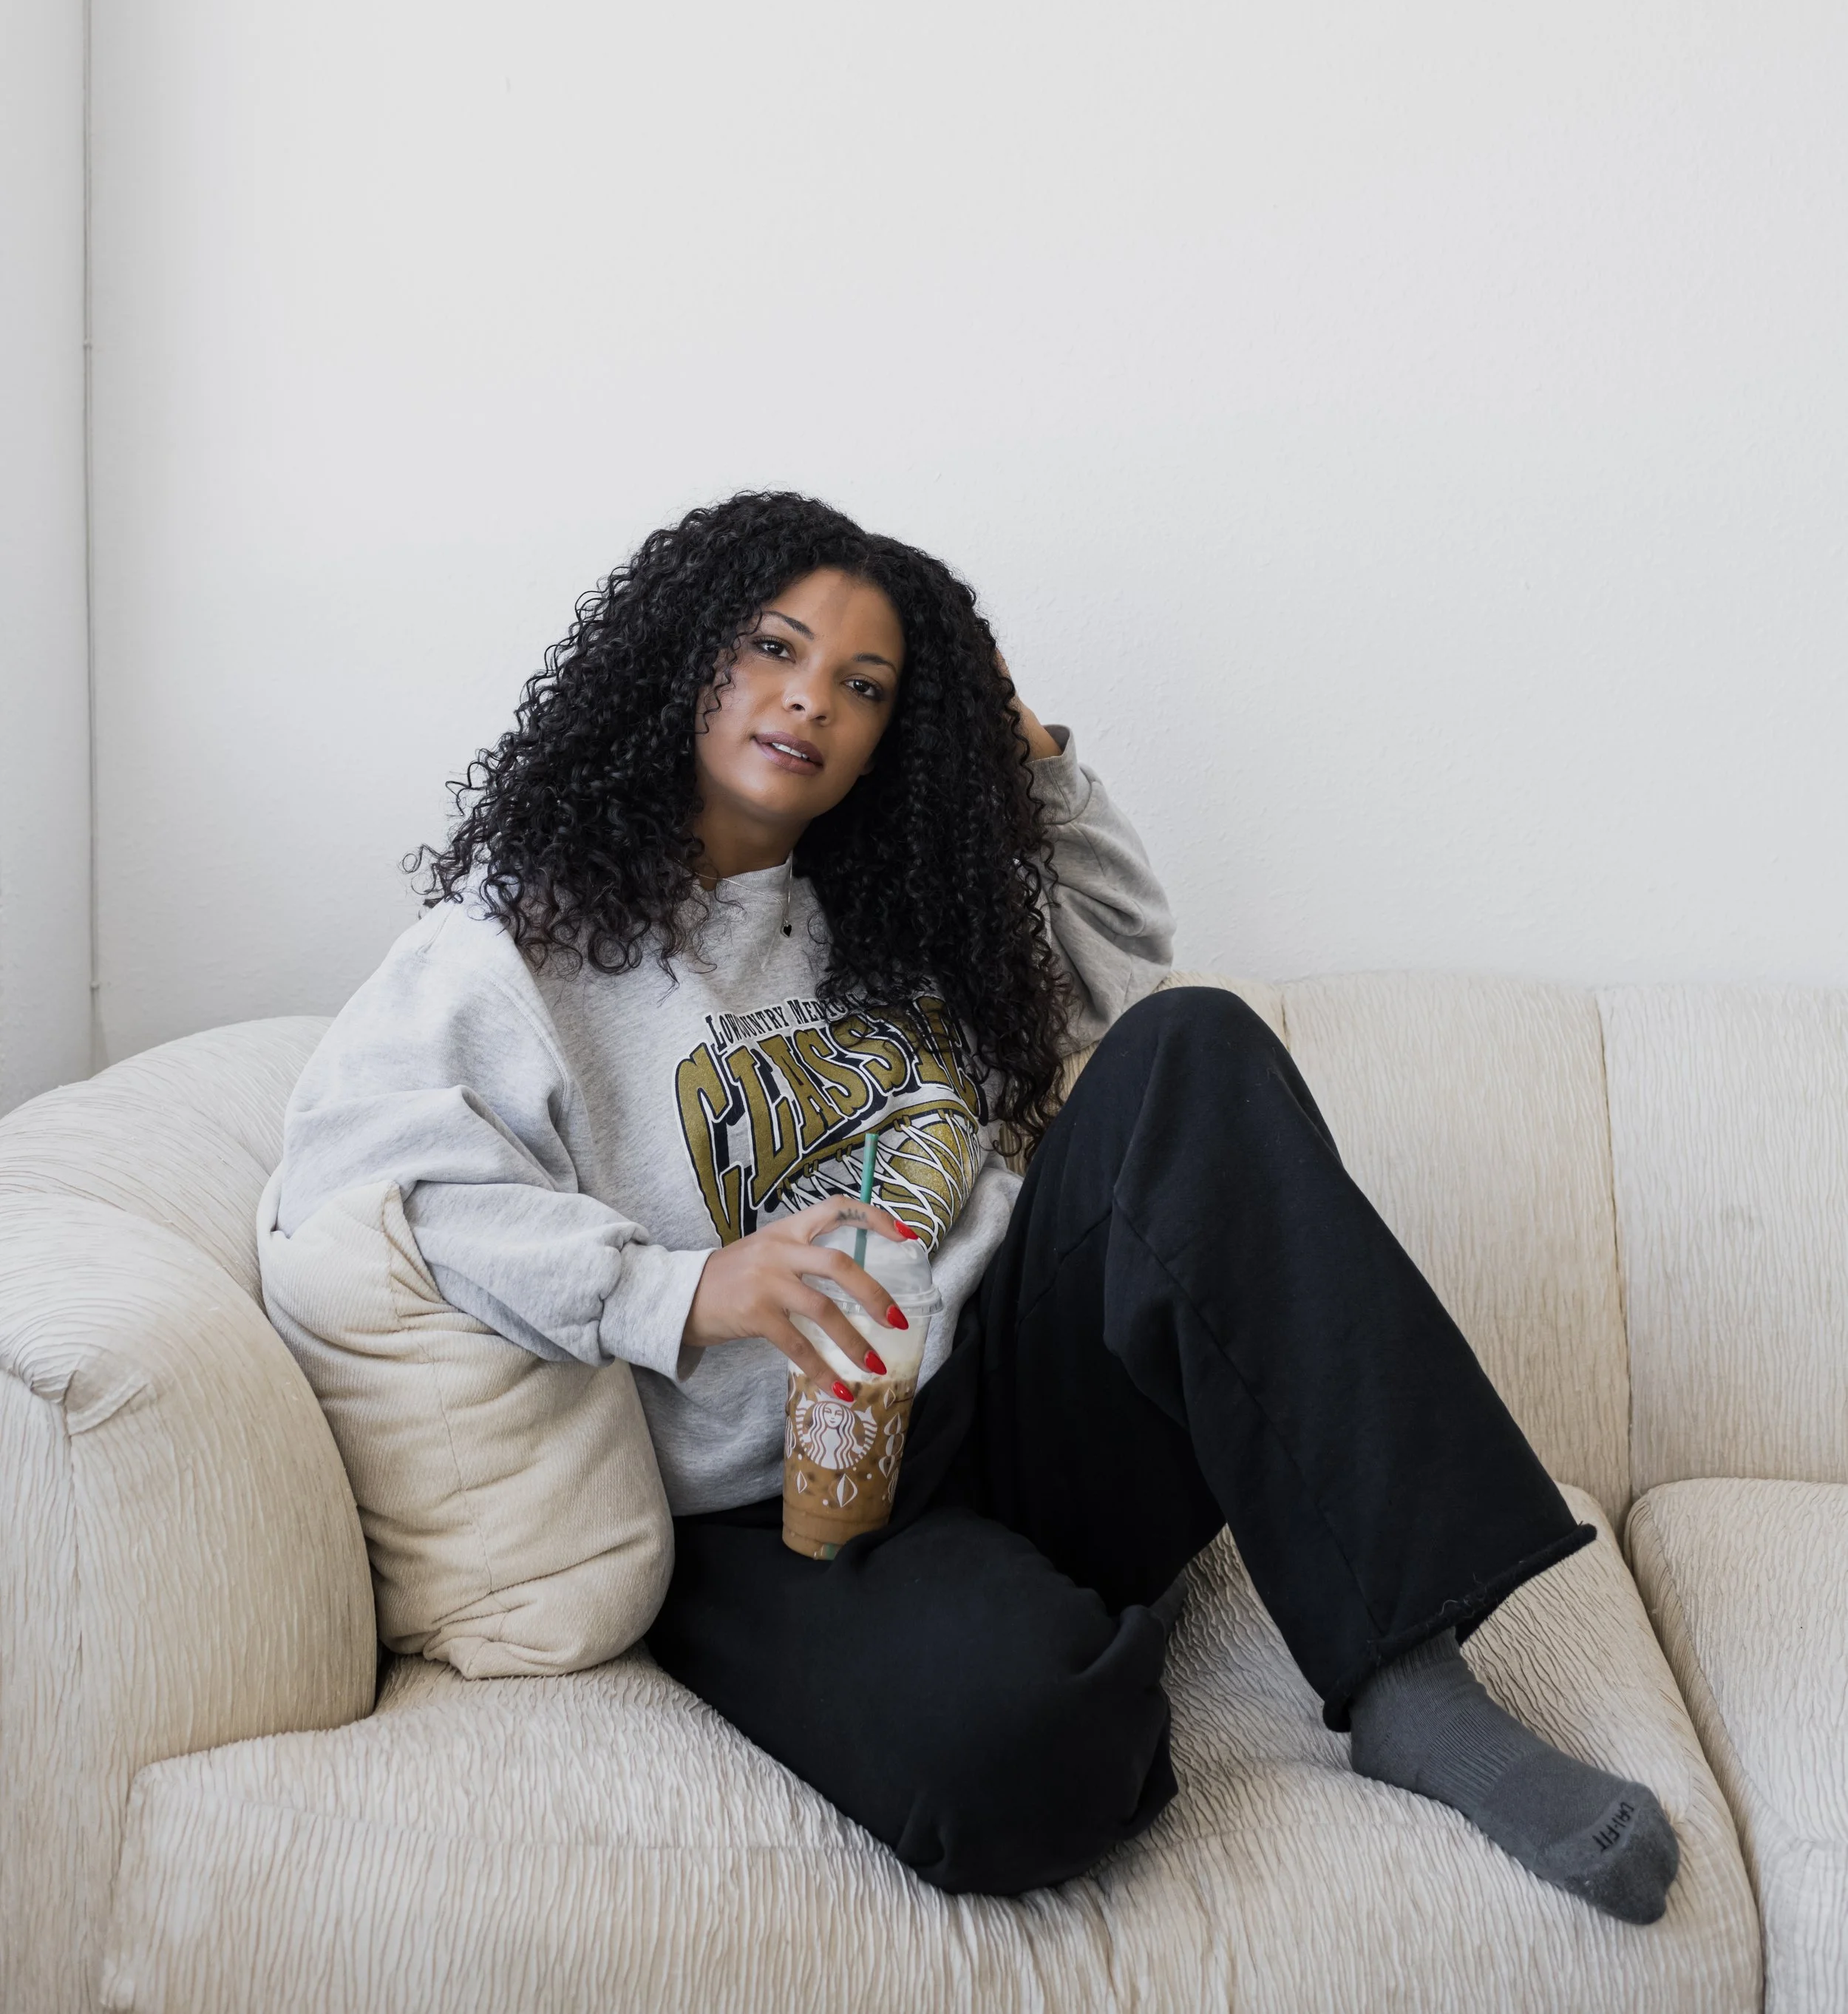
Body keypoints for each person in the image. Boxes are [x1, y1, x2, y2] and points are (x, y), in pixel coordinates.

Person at [277, 489, 1679, 1919]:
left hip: (1007, 1401)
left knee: (1190, 1051)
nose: (809, 700)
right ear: (680, 655)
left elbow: (1130, 984)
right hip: (781, 1510)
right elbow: (364, 1181)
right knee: (1026, 1769)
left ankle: (1407, 1683)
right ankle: (1040, 1632)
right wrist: (682, 1292)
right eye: (772, 648)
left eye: (866, 686)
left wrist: (1031, 759)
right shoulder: (516, 946)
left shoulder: (893, 909)